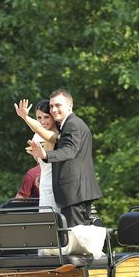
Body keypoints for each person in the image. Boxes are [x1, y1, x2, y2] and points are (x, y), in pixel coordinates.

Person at [26, 89, 102, 226]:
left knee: (75, 237)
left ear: (69, 106)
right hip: (75, 191)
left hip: (75, 192)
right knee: (74, 237)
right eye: (51, 106)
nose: (54, 109)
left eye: (58, 105)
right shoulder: (68, 124)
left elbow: (69, 151)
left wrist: (45, 155)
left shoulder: (72, 124)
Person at [14, 99, 59, 212]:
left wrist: (25, 117)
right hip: (45, 183)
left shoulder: (57, 133)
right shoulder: (37, 135)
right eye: (39, 118)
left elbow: (40, 131)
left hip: (59, 184)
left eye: (46, 117)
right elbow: (40, 160)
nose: (43, 121)